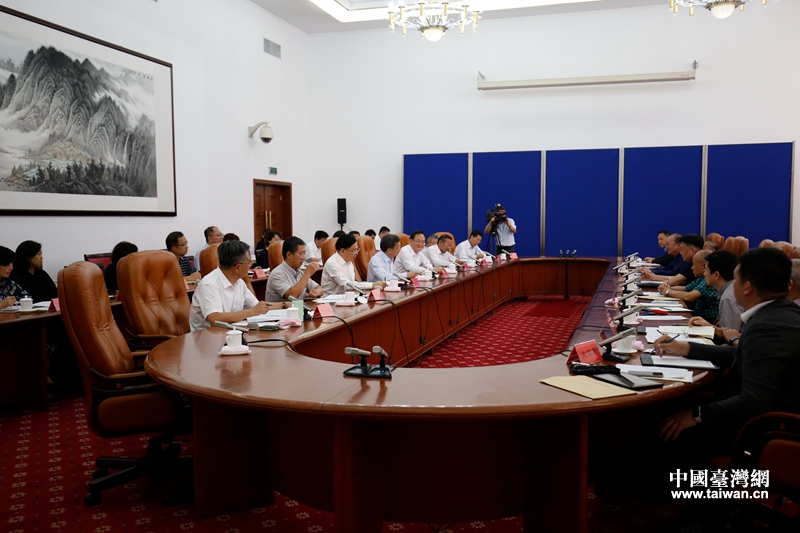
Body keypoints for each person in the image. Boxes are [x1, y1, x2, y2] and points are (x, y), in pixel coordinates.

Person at [656, 247, 800, 456]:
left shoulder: (768, 326)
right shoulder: (780, 312)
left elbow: (754, 401)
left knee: (666, 433)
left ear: (747, 287)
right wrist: (686, 348)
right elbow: (743, 354)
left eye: (736, 280)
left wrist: (697, 414)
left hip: (765, 430)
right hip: (759, 412)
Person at [190, 240, 279, 331]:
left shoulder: (239, 282)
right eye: (249, 263)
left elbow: (258, 307)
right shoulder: (209, 284)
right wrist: (251, 312)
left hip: (232, 332)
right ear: (237, 267)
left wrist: (284, 305)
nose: (250, 266)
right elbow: (214, 318)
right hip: (207, 336)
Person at [688, 250, 744, 338]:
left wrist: (710, 328)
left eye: (706, 269)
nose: (704, 273)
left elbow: (730, 338)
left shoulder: (728, 298)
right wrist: (710, 326)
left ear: (716, 275)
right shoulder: (730, 289)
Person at [657, 250, 718, 322]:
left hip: (709, 320)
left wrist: (668, 291)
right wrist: (667, 287)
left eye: (693, 264)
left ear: (704, 266)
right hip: (699, 317)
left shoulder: (708, 280)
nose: (692, 268)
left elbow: (689, 296)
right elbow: (685, 288)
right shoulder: (701, 278)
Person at [321, 234, 385, 295]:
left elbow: (352, 283)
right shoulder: (332, 263)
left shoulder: (349, 261)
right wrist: (372, 285)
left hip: (347, 296)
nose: (356, 253)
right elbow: (347, 285)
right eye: (353, 250)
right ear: (343, 250)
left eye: (357, 250)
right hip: (331, 299)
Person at [265, 237, 323, 301]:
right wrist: (307, 274)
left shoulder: (299, 272)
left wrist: (316, 291)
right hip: (282, 307)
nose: (304, 258)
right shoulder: (277, 274)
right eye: (301, 254)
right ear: (289, 255)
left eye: (304, 254)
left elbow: (319, 288)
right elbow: (292, 296)